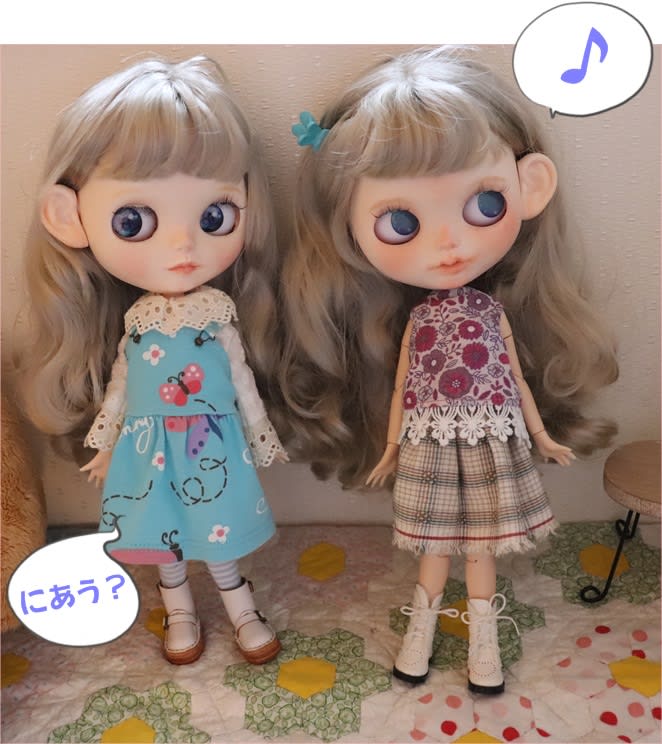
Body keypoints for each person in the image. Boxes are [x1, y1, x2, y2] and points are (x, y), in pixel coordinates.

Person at [280, 46, 618, 693]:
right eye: (401, 222)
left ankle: (484, 640)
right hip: (429, 445)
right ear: (345, 226)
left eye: (484, 205)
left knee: (481, 550)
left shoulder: (491, 313)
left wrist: (542, 435)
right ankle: (421, 633)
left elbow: (514, 380)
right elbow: (404, 387)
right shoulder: (420, 322)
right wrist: (389, 447)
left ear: (530, 186)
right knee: (434, 549)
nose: (450, 244)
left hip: (492, 441)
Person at [19, 55, 288, 666]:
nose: (183, 244)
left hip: (210, 442)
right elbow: (121, 385)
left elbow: (241, 379)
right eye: (135, 220)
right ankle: (179, 609)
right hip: (145, 446)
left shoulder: (215, 314)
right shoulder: (138, 323)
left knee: (217, 529)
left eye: (215, 216)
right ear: (70, 218)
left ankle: (241, 605)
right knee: (160, 535)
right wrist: (105, 445)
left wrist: (259, 434)